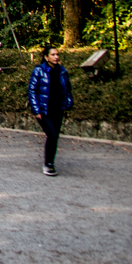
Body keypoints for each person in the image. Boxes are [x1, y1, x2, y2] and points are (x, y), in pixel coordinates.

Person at [28, 46, 73, 176]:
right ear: (46, 57)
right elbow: (32, 90)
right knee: (52, 134)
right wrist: (36, 110)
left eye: (57, 54)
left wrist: (68, 104)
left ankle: (50, 162)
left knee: (54, 137)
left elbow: (67, 90)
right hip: (44, 110)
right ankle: (48, 164)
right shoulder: (39, 71)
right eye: (53, 54)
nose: (56, 57)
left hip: (58, 109)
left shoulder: (62, 72)